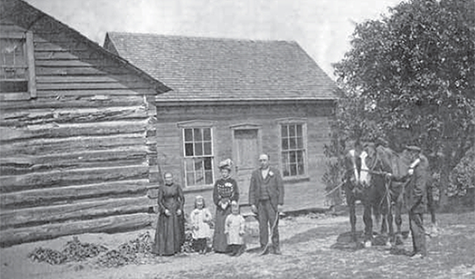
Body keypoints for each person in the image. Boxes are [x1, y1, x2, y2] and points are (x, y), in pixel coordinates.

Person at [249, 154, 284, 255]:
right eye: (260, 160)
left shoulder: (275, 172)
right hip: (260, 204)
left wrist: (280, 203)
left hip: (271, 203)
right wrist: (252, 204)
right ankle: (264, 247)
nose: (262, 162)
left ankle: (276, 247)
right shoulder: (255, 174)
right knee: (262, 227)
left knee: (273, 225)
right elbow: (252, 190)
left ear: (268, 161)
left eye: (264, 160)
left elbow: (280, 188)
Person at [405, 145, 429, 259]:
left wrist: (410, 204)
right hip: (414, 203)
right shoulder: (414, 167)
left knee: (417, 227)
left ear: (414, 154)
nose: (408, 155)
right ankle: (416, 250)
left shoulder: (420, 168)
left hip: (417, 203)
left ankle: (421, 252)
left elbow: (419, 189)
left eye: (410, 153)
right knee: (413, 227)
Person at [152, 172, 185, 256]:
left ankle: (176, 248)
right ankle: (167, 250)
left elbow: (182, 199)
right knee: (167, 230)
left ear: (172, 178)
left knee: (176, 229)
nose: (168, 179)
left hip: (175, 210)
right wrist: (164, 210)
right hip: (167, 211)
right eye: (167, 178)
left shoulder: (177, 187)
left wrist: (180, 209)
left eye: (170, 177)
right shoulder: (162, 188)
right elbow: (159, 201)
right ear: (164, 179)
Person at [212, 158, 239, 253]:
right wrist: (219, 203)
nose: (224, 174)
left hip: (229, 207)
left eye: (226, 172)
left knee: (230, 226)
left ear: (229, 172)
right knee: (220, 226)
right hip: (220, 208)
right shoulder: (218, 183)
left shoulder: (233, 182)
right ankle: (219, 248)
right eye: (222, 172)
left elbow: (236, 194)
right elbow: (215, 195)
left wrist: (230, 201)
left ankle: (231, 247)